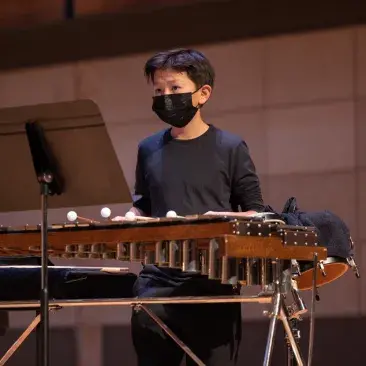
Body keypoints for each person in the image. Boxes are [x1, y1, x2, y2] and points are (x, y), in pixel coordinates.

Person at [113, 49, 264, 366]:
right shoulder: (148, 148)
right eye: (158, 90)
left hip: (212, 283)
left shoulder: (230, 147)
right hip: (156, 285)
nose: (165, 97)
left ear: (202, 94)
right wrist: (131, 218)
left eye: (175, 88)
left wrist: (218, 220)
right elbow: (144, 204)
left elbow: (256, 214)